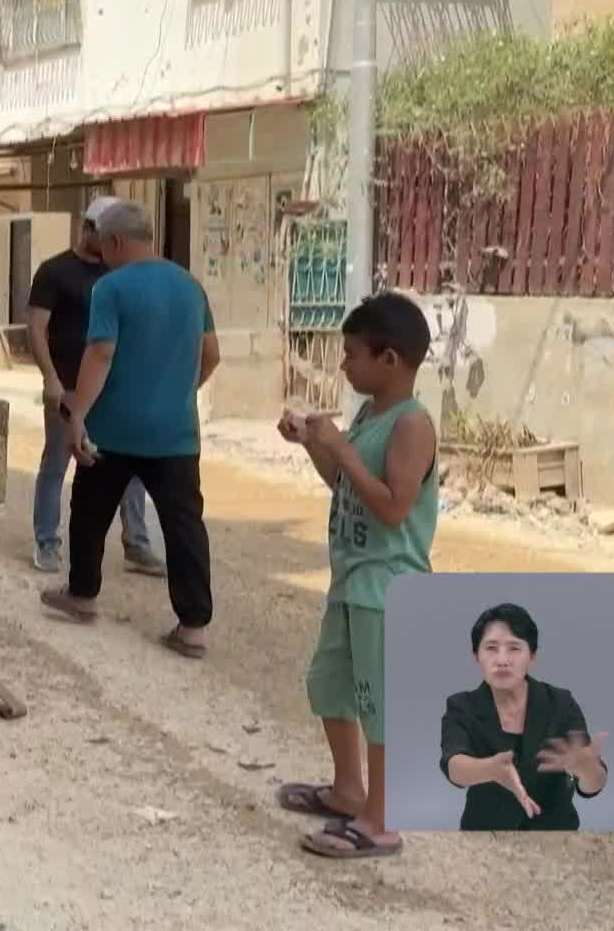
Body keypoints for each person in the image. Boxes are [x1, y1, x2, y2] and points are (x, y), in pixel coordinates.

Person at [272, 291, 437, 860]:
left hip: (387, 585)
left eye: (352, 355)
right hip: (354, 577)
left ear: (389, 359)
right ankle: (349, 790)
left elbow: (393, 508)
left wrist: (341, 450)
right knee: (332, 684)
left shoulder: (412, 425)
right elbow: (348, 489)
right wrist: (317, 447)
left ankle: (382, 822)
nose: (344, 365)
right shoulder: (373, 414)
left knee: (379, 704)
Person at [38, 201, 218, 658]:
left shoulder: (111, 287)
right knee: (184, 527)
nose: (102, 254)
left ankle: (81, 595)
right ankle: (193, 627)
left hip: (113, 431)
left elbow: (100, 353)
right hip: (176, 433)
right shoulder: (191, 286)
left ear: (115, 241)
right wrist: (179, 390)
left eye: (103, 245)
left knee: (89, 511)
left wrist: (77, 413)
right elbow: (211, 353)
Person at [25, 196, 161, 576]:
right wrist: (50, 378)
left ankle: (137, 543)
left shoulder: (116, 272)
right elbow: (36, 328)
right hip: (68, 385)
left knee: (129, 466)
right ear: (86, 228)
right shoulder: (54, 272)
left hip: (113, 389)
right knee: (57, 463)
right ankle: (46, 542)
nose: (108, 244)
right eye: (104, 235)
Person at [438, 603, 607, 832]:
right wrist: (490, 769)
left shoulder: (560, 703)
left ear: (533, 656)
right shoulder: (461, 706)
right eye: (491, 648)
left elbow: (592, 785)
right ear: (476, 655)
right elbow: (454, 767)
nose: (502, 659)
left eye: (514, 649)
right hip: (485, 834)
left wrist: (586, 768)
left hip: (555, 835)